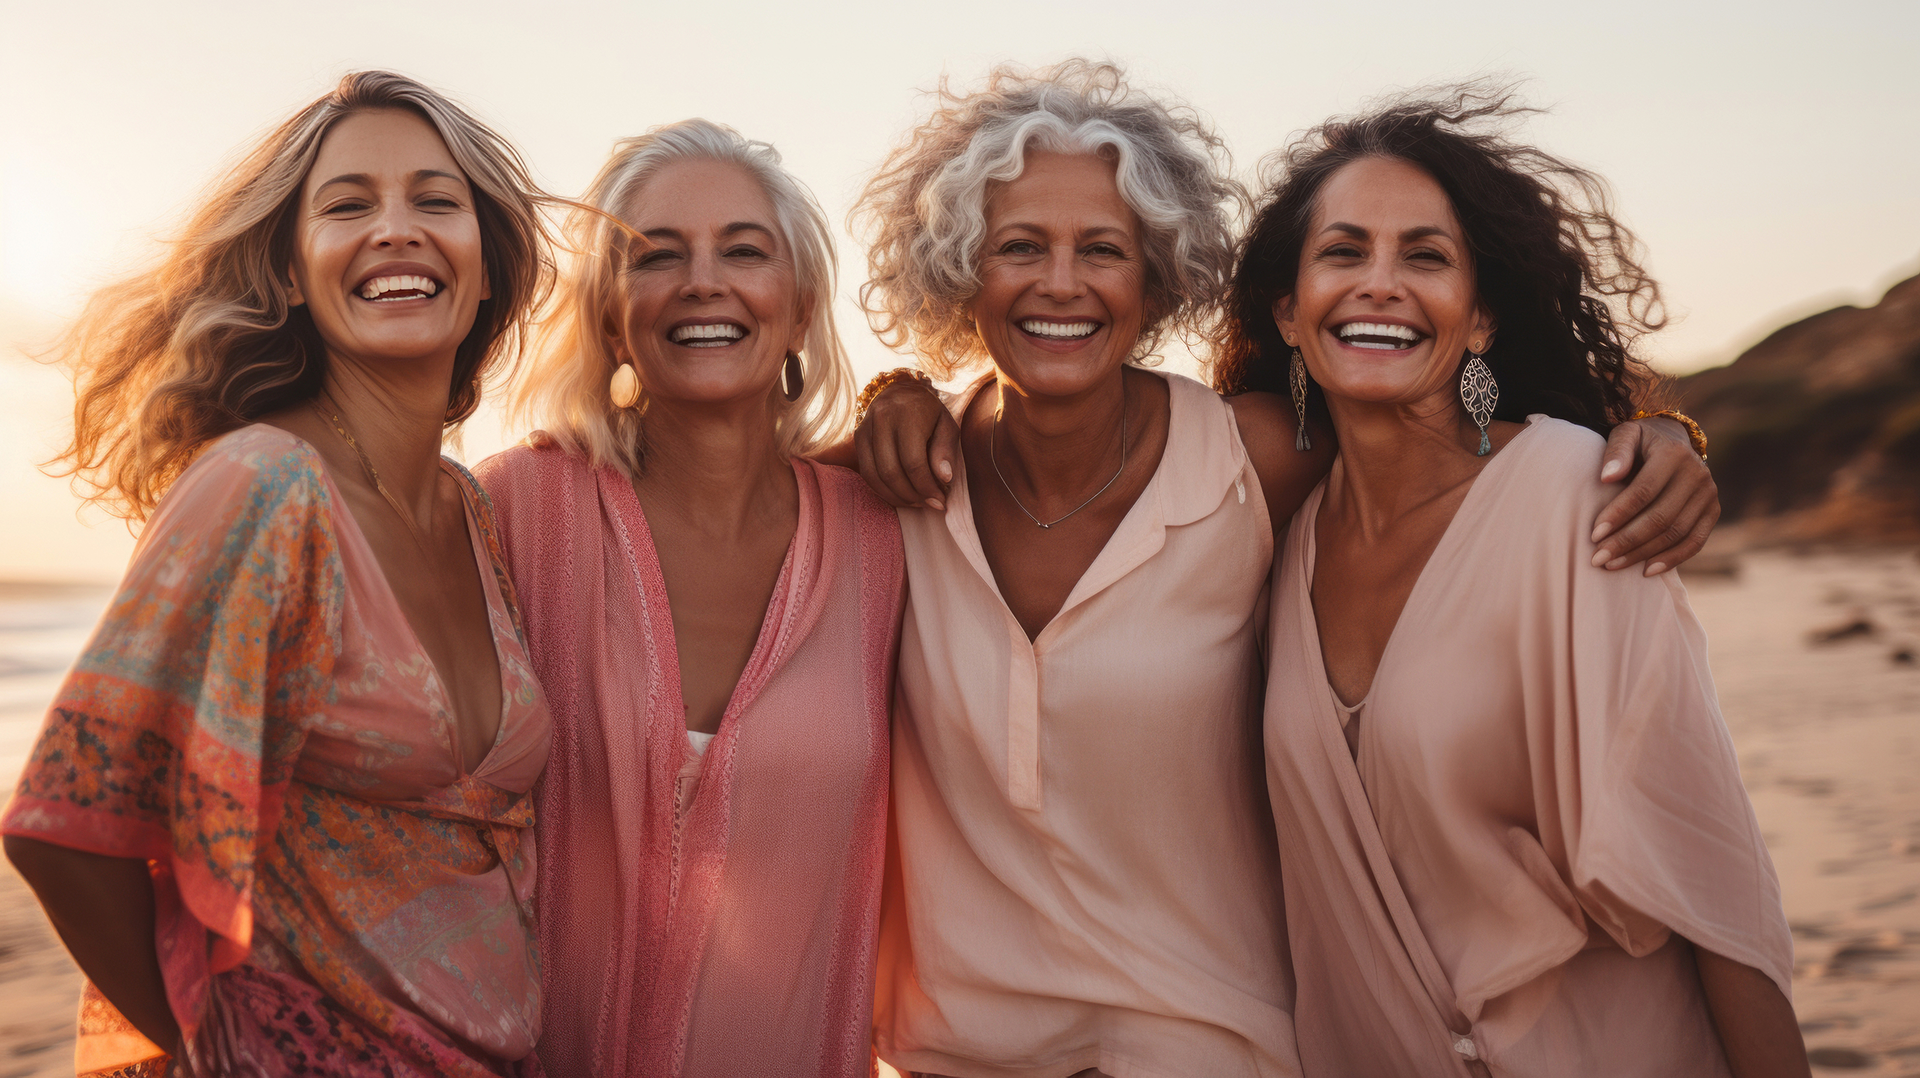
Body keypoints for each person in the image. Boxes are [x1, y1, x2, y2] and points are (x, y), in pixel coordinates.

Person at [850, 62, 1724, 1077]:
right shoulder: (902, 478)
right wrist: (894, 383)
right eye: (1018, 247)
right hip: (962, 1053)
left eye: (1103, 249)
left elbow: (1457, 437)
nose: (1061, 282)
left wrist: (1658, 435)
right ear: (961, 270)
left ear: (1156, 276)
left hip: (1219, 1046)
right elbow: (732, 488)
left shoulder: (1250, 458)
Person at [1224, 89, 1803, 1076]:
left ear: (1481, 316)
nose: (1380, 285)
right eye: (1343, 252)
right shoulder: (1276, 541)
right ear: (1289, 309)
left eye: (1426, 256)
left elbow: (1710, 876)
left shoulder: (1579, 500)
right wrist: (899, 401)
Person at [1, 72, 555, 1077]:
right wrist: (233, 1055)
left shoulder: (473, 507)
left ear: (485, 270)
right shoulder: (264, 484)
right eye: (348, 205)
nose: (395, 229)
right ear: (294, 273)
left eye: (437, 200)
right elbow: (63, 828)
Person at [473, 119, 904, 1077]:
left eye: (743, 251)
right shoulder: (516, 508)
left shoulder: (889, 540)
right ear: (610, 317)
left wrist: (913, 393)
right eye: (656, 257)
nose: (702, 281)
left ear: (798, 310)